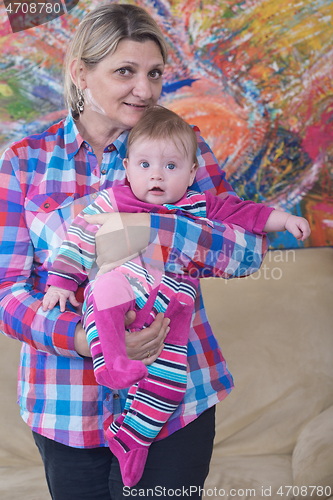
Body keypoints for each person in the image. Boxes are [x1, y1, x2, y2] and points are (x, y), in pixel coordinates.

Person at [0, 4, 285, 499]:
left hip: (177, 403)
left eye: (154, 73)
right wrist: (88, 340)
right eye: (125, 72)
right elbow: (7, 293)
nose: (145, 90)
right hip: (64, 407)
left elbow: (248, 253)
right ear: (80, 72)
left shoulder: (182, 147)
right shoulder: (25, 163)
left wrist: (150, 231)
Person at [42, 105, 310, 487]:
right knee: (104, 291)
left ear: (191, 174)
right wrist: (61, 283)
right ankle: (111, 359)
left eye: (171, 166)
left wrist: (283, 220)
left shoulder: (199, 204)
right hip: (121, 294)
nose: (156, 175)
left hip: (170, 316)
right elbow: (79, 240)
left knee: (169, 386)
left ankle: (131, 438)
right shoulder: (112, 200)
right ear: (129, 168)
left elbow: (244, 215)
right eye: (145, 164)